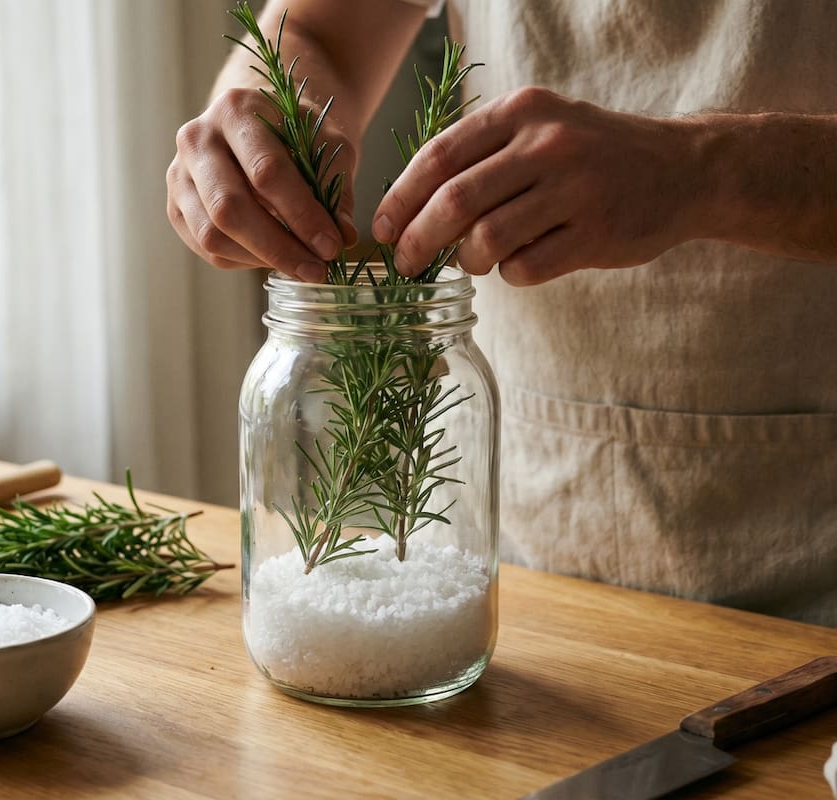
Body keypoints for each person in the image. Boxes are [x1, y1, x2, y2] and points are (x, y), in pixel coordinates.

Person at [167, 0, 837, 626]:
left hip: (808, 575)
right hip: (511, 565)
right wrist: (268, 116)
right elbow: (320, 30)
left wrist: (703, 170)